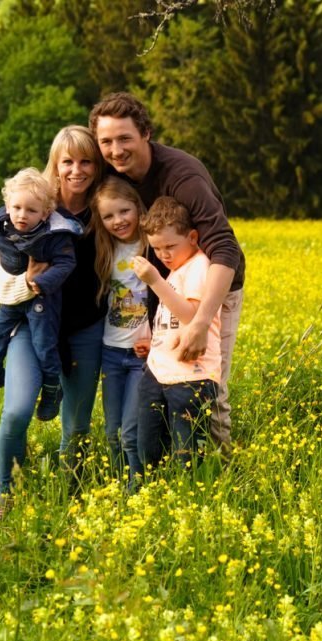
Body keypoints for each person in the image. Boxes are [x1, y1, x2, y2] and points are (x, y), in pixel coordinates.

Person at [89, 92, 244, 451]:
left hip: (210, 288)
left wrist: (201, 323)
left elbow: (225, 248)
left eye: (125, 138)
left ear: (146, 133)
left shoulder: (182, 176)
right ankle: (165, 477)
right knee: (161, 385)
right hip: (163, 286)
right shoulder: (114, 172)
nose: (116, 150)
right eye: (106, 142)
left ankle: (216, 469)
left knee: (205, 381)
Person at [0, 127, 105, 509]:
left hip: (86, 327)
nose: (76, 170)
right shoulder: (32, 202)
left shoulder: (108, 207)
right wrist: (25, 284)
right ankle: (7, 495)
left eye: (86, 161)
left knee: (77, 425)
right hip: (29, 326)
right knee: (17, 411)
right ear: (56, 163)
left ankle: (69, 496)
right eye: (67, 161)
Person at [0, 168, 81, 422]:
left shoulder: (55, 233)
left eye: (32, 211)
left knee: (45, 346)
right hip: (11, 297)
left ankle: (52, 388)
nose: (22, 215)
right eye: (17, 207)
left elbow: (66, 263)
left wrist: (42, 283)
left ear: (45, 213)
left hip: (42, 299)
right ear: (7, 205)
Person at [133, 197, 221, 471]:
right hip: (159, 371)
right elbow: (171, 319)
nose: (163, 255)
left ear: (193, 237)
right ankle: (155, 496)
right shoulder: (176, 270)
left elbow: (192, 318)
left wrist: (155, 280)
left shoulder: (198, 266)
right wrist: (155, 343)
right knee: (147, 448)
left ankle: (187, 498)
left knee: (188, 454)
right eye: (156, 248)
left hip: (191, 376)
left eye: (170, 246)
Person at [91, 176, 150, 485]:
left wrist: (155, 333)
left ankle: (137, 489)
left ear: (138, 207)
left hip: (142, 355)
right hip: (111, 351)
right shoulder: (105, 249)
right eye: (108, 216)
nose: (117, 221)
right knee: (112, 432)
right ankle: (116, 486)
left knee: (130, 431)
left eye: (124, 211)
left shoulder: (152, 246)